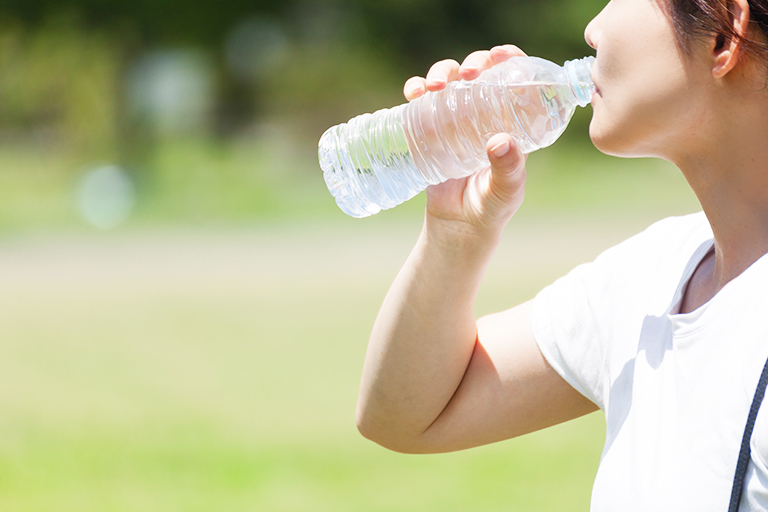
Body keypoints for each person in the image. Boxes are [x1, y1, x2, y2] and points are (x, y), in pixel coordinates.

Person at [354, 0, 768, 509]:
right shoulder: (653, 276)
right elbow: (403, 416)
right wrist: (456, 234)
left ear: (724, 36)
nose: (593, 29)